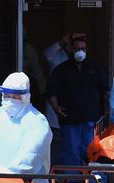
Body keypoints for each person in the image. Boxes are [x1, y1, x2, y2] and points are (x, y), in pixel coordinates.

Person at [47, 36, 108, 183]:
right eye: (77, 49)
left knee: (92, 153)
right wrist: (56, 108)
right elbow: (52, 91)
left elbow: (105, 91)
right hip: (70, 120)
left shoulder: (95, 68)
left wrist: (107, 112)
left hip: (91, 119)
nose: (80, 52)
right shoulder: (61, 70)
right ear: (71, 50)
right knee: (70, 151)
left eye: (83, 49)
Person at [0, 72, 52, 183]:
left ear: (25, 97)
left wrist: (3, 179)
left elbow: (29, 161)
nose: (9, 100)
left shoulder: (37, 121)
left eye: (14, 97)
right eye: (6, 96)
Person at [43, 31, 85, 165]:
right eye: (75, 47)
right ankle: (56, 173)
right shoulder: (58, 57)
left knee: (75, 147)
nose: (79, 52)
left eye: (81, 49)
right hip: (56, 113)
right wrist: (63, 40)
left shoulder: (84, 64)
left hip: (75, 115)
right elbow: (47, 54)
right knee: (57, 145)